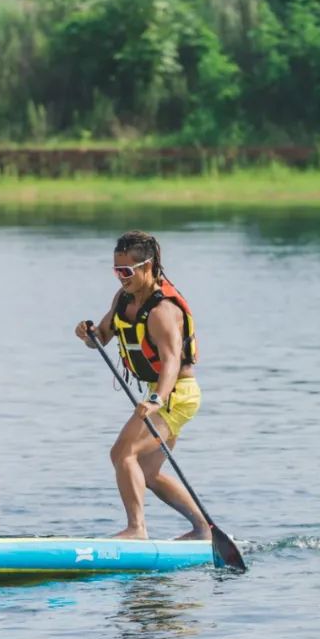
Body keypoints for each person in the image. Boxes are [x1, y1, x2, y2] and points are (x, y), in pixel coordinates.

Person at [76, 231, 210, 542]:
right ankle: (204, 530)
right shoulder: (123, 299)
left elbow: (172, 360)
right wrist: (87, 333)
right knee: (147, 473)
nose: (120, 278)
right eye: (116, 270)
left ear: (148, 267)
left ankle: (137, 529)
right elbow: (102, 337)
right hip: (162, 394)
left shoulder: (163, 311)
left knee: (122, 453)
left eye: (126, 271)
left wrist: (156, 399)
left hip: (175, 394)